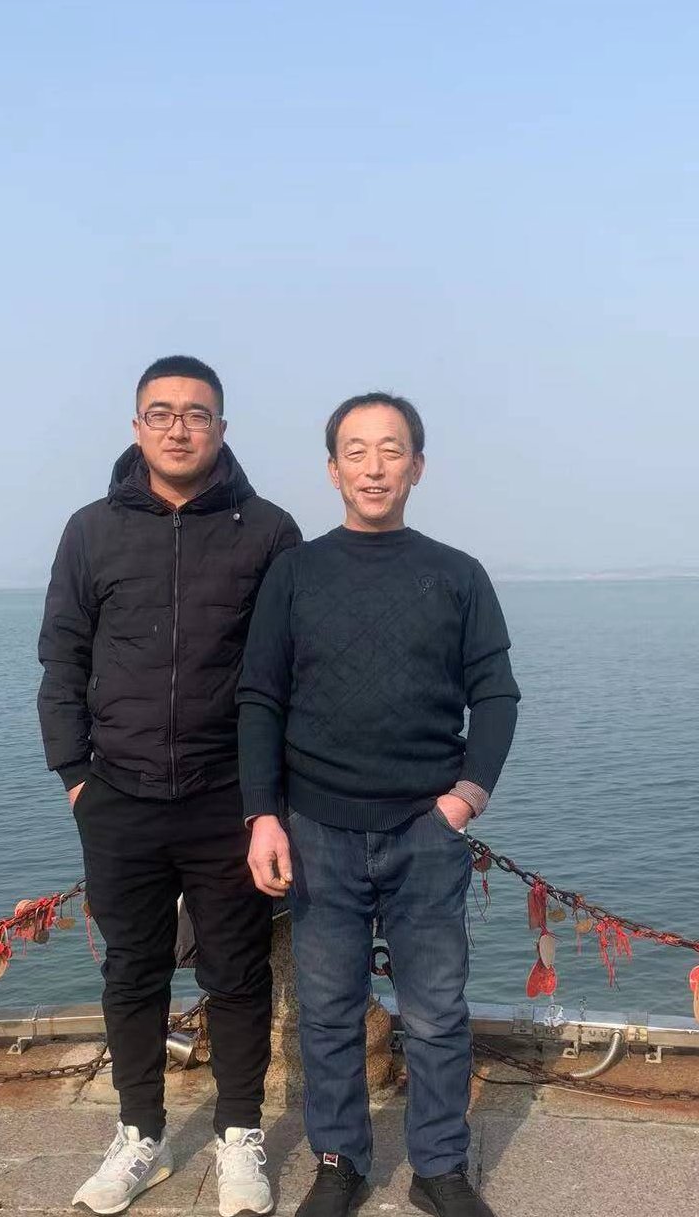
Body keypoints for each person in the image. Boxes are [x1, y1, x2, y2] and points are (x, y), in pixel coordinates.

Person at [237, 393, 519, 1217]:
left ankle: (440, 1169)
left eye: (390, 450)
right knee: (327, 1013)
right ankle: (339, 1164)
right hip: (316, 827)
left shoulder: (458, 574)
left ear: (417, 466)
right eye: (355, 452)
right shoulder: (295, 573)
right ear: (332, 470)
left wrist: (464, 799)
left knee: (436, 1014)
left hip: (425, 830)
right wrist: (263, 814)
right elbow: (260, 698)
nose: (373, 467)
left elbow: (495, 694)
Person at [38, 355, 300, 1216]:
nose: (179, 428)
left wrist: (272, 798)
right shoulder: (91, 530)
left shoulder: (268, 531)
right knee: (133, 971)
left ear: (222, 428)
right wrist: (77, 779)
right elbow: (62, 660)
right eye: (162, 412)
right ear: (136, 426)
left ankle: (240, 1136)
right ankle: (139, 1134)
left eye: (196, 414)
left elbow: (290, 669)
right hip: (118, 794)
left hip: (230, 796)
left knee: (237, 972)